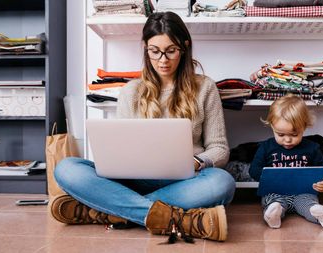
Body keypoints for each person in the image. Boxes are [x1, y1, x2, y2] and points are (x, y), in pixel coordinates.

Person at [51, 11, 236, 242]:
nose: (163, 60)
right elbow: (121, 148)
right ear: (146, 49)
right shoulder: (131, 91)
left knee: (223, 183)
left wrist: (197, 162)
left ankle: (113, 210)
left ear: (184, 48)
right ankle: (171, 217)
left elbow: (219, 148)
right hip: (134, 180)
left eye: (171, 51)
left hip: (185, 181)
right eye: (154, 51)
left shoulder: (205, 87)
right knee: (66, 168)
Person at [249, 94, 323, 230]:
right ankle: (274, 214)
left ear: (304, 127)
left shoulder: (312, 147)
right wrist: (266, 178)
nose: (287, 140)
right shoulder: (266, 147)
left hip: (303, 193)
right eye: (281, 134)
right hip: (275, 191)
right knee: (273, 202)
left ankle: (319, 214)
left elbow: (322, 170)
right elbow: (254, 169)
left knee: (308, 202)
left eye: (294, 135)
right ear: (272, 127)